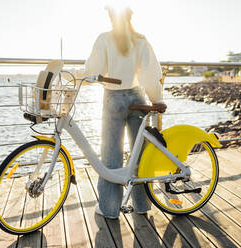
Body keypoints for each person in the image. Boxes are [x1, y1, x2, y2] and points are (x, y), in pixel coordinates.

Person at [85, 6, 167, 219]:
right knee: (140, 153)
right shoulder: (141, 40)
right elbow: (150, 75)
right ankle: (142, 205)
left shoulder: (104, 39)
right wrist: (157, 99)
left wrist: (78, 76)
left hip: (114, 98)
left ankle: (110, 209)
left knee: (111, 154)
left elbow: (93, 71)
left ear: (111, 18)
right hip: (137, 98)